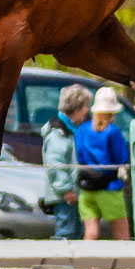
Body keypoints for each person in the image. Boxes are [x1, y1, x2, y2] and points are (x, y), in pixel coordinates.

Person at [74, 86, 130, 240]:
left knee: (91, 232)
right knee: (122, 233)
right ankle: (123, 264)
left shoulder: (82, 130)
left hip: (87, 187)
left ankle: (86, 263)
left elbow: (79, 155)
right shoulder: (113, 131)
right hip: (109, 188)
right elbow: (121, 159)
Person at [41, 84, 91, 240]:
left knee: (76, 233)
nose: (87, 110)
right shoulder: (58, 134)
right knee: (66, 232)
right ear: (76, 108)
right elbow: (55, 165)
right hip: (64, 196)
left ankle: (71, 264)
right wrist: (66, 190)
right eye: (85, 106)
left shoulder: (70, 131)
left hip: (72, 193)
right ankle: (61, 263)